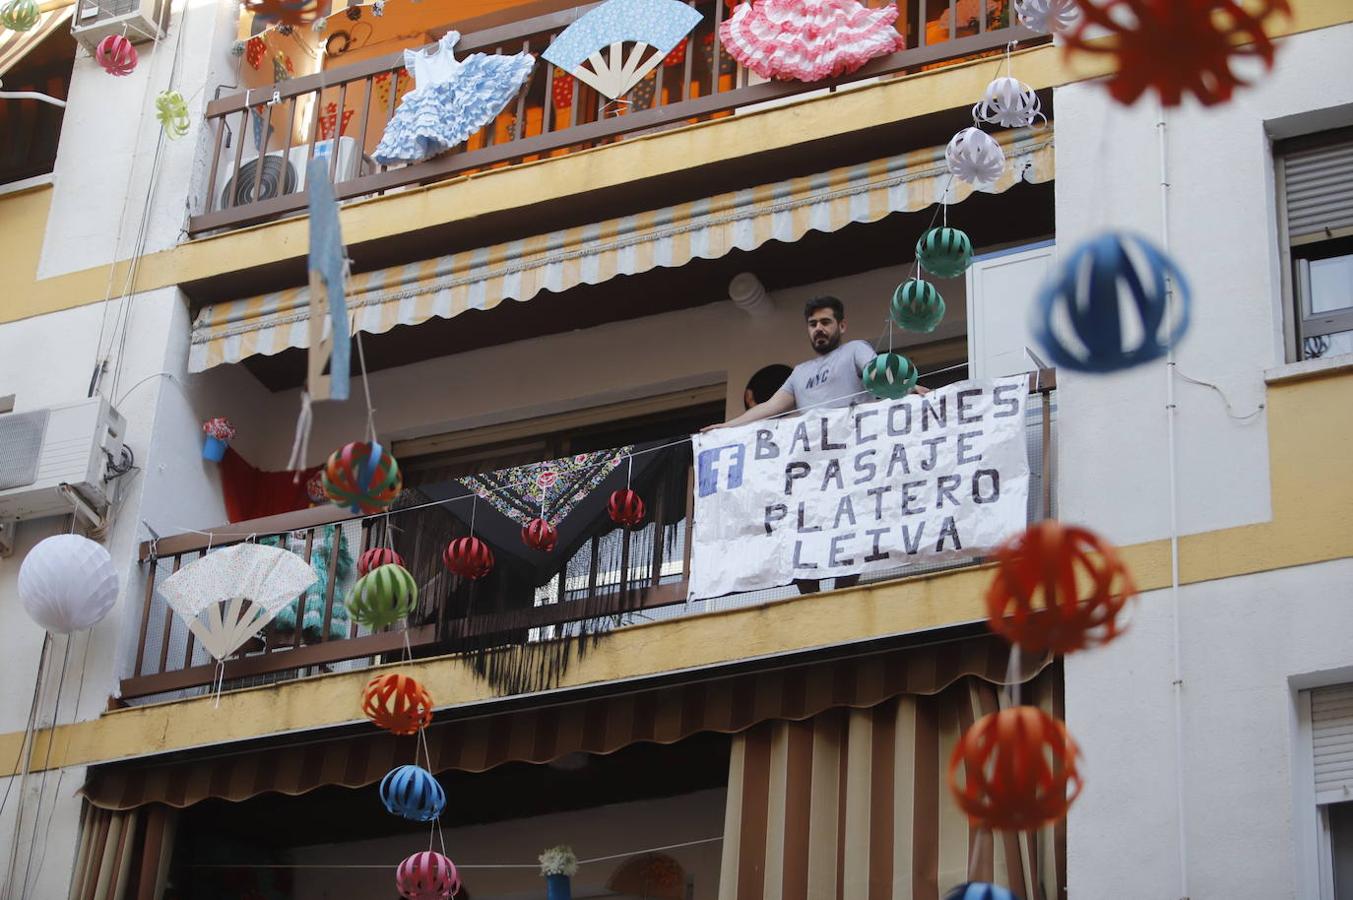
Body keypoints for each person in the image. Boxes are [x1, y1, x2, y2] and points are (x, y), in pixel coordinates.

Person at [704, 296, 926, 593]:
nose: (818, 329)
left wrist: (908, 388)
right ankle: (810, 598)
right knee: (800, 529)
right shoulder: (799, 373)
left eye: (825, 322)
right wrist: (727, 427)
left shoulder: (854, 350)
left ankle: (841, 593)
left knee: (851, 527)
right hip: (813, 470)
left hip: (852, 464)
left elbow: (878, 372)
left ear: (841, 325)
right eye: (812, 324)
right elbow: (770, 407)